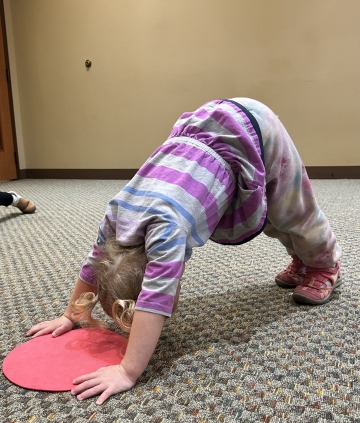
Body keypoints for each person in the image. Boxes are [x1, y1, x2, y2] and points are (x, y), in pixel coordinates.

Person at [27, 98, 342, 405]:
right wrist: (73, 315)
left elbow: (155, 298)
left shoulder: (167, 234)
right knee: (267, 215)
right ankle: (301, 259)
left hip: (255, 130)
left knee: (291, 210)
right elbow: (94, 263)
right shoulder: (116, 213)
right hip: (208, 129)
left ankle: (323, 264)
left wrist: (127, 370)